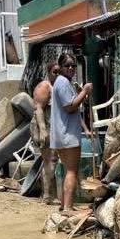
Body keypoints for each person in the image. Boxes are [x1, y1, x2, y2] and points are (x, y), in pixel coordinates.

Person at [49, 55, 92, 213]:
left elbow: (72, 107)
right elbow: (70, 107)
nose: (71, 68)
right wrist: (85, 91)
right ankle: (67, 206)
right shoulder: (63, 82)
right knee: (72, 171)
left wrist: (81, 93)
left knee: (67, 170)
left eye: (73, 65)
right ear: (60, 67)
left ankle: (64, 204)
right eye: (67, 65)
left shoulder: (61, 83)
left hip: (61, 134)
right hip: (67, 134)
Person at [31, 62, 58, 204]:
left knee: (52, 160)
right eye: (55, 72)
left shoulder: (58, 86)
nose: (57, 74)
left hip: (52, 126)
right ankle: (47, 195)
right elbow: (38, 108)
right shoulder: (45, 87)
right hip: (44, 126)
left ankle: (50, 195)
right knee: (49, 159)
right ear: (49, 72)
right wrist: (43, 130)